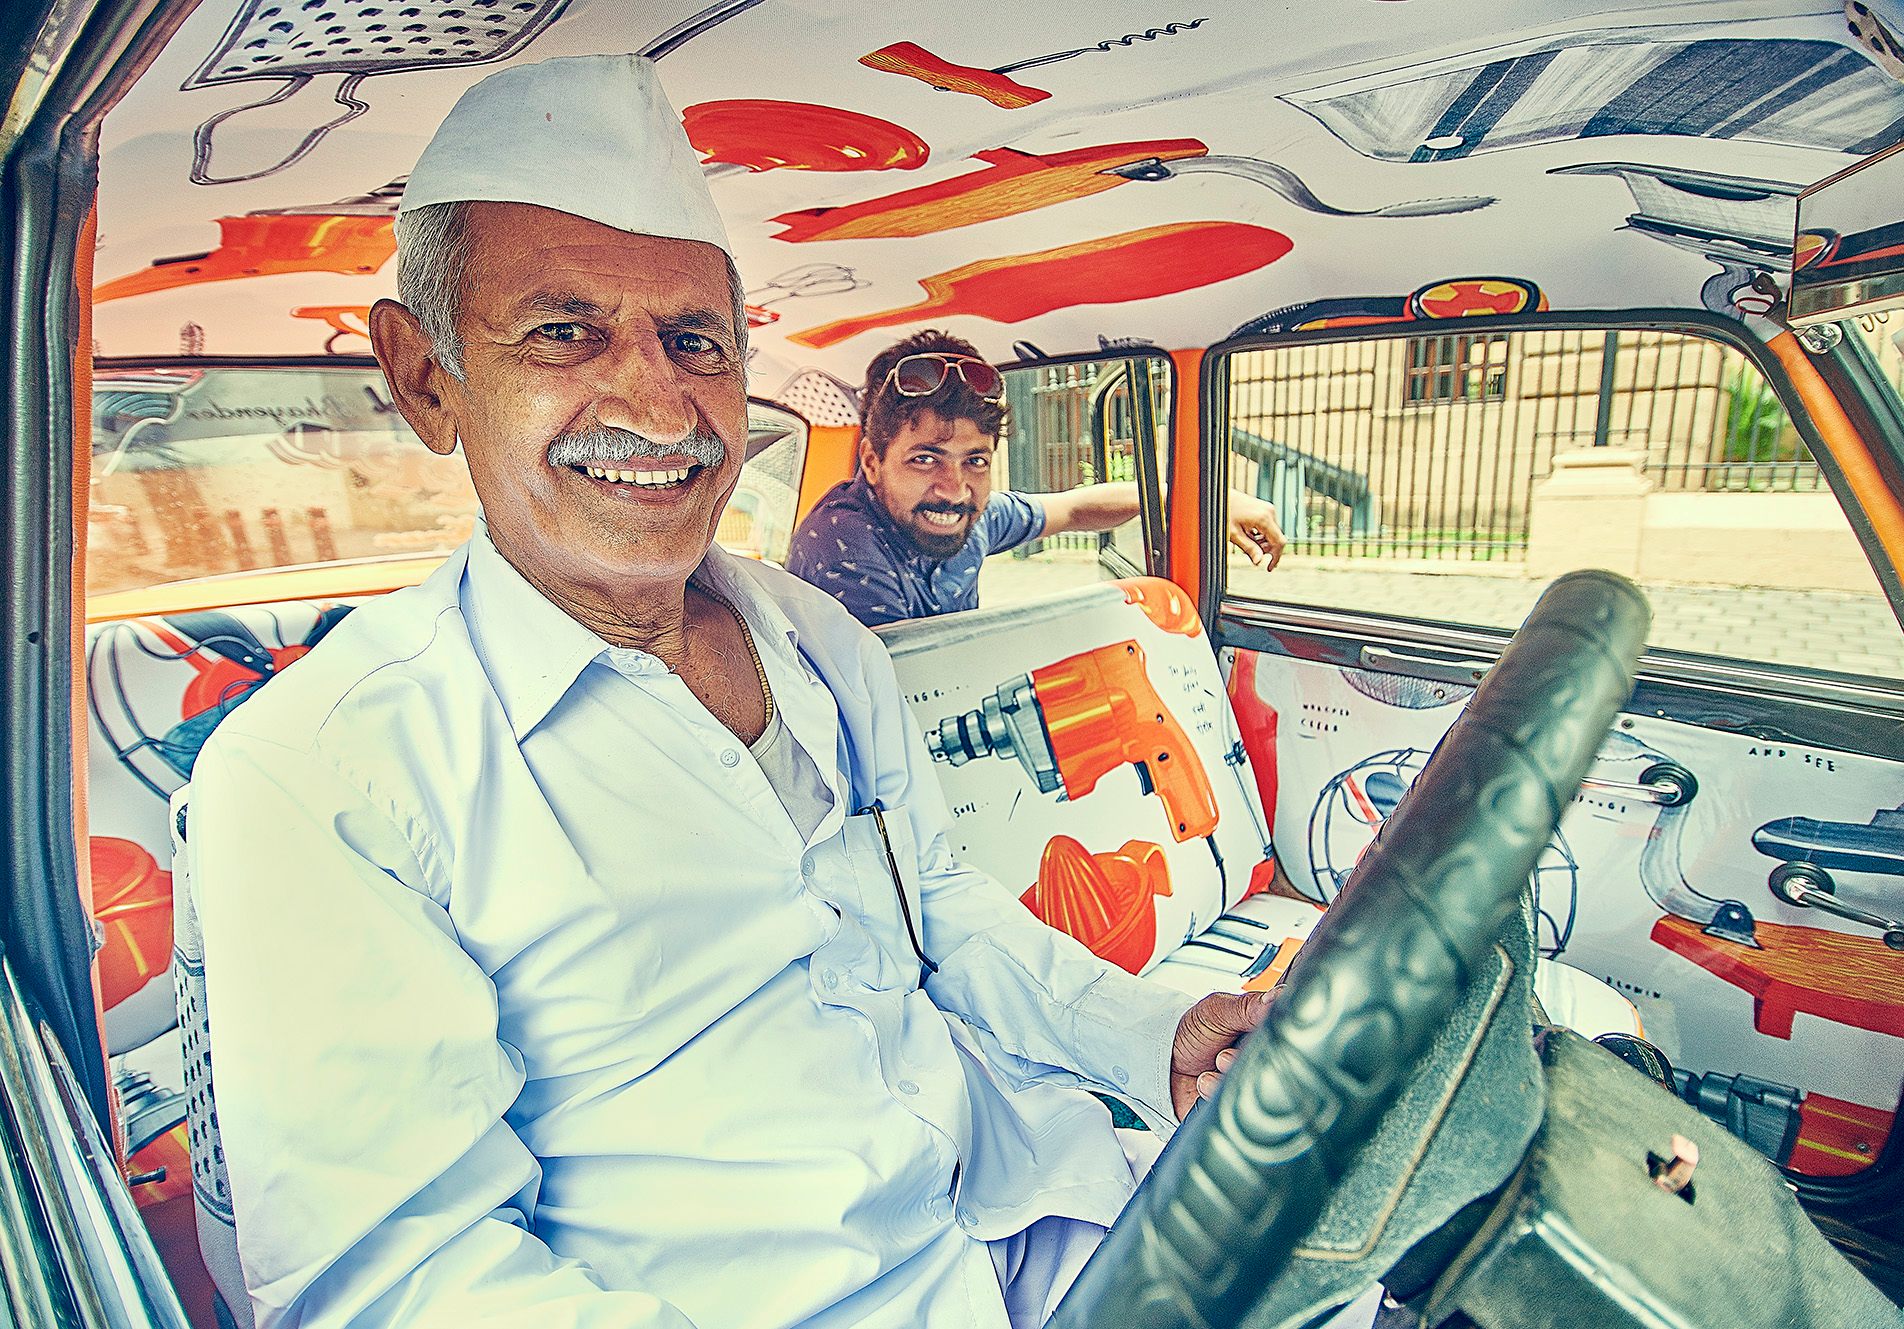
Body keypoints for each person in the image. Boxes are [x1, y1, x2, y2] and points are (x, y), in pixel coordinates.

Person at [181, 54, 1271, 1329]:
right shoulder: (323, 772)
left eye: (694, 341)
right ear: (427, 378)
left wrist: (1158, 1027)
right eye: (563, 331)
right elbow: (401, 1282)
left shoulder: (818, 643)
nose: (658, 401)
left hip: (1034, 1207)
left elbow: (943, 908)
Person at [787, 330, 1286, 627]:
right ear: (872, 463)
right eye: (925, 459)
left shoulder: (968, 516)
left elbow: (1073, 508)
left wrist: (1201, 499)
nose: (954, 488)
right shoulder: (842, 544)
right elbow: (903, 702)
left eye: (975, 461)